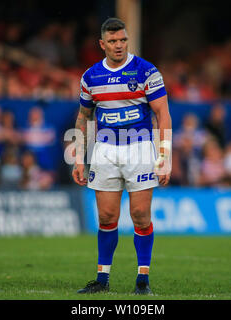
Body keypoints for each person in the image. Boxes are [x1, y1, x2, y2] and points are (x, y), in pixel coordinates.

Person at [72, 18, 172, 295]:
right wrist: (79, 158)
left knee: (140, 214)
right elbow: (84, 116)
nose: (119, 45)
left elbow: (163, 114)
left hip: (139, 147)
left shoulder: (146, 71)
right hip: (105, 150)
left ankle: (143, 280)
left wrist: (165, 157)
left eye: (123, 40)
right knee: (106, 216)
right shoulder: (90, 77)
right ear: (102, 44)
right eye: (113, 41)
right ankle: (102, 280)